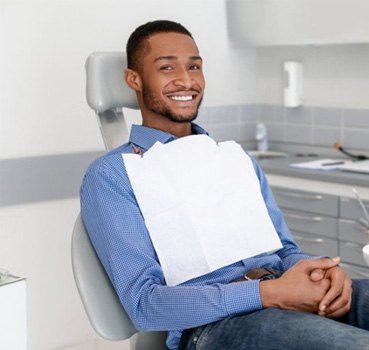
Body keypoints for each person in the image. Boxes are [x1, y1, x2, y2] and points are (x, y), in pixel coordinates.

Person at [80, 20, 369, 350]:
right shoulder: (112, 176)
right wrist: (270, 294)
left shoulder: (234, 158)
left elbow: (284, 251)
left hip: (282, 290)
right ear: (134, 79)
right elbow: (145, 305)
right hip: (216, 326)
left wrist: (322, 274)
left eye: (194, 66)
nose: (186, 79)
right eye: (166, 67)